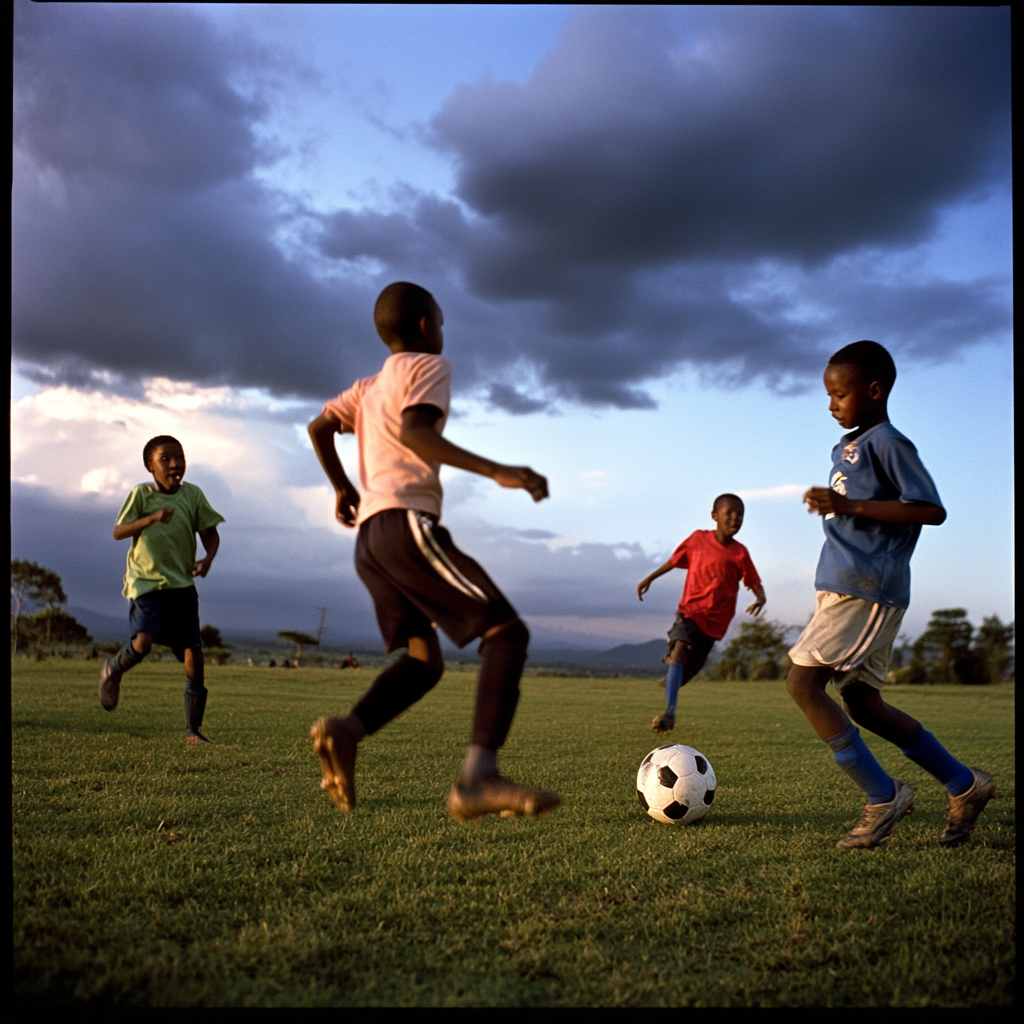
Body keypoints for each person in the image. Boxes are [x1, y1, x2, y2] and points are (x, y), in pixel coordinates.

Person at [306, 281, 561, 823]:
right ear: (426, 327)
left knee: (423, 663)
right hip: (405, 525)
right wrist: (498, 471)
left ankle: (347, 730)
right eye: (441, 323)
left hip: (370, 541)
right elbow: (417, 433)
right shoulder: (426, 366)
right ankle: (477, 778)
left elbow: (320, 427)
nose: (442, 333)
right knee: (506, 633)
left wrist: (342, 487)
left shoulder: (369, 387)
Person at [786, 340, 997, 849]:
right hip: (842, 589)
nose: (831, 404)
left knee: (802, 685)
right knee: (862, 703)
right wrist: (838, 503)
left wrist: (849, 505)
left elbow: (930, 509)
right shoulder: (849, 446)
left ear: (874, 391)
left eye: (840, 394)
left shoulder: (888, 441)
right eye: (828, 395)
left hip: (866, 590)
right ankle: (964, 785)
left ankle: (883, 797)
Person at [98, 435, 224, 744]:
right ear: (149, 465)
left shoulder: (193, 495)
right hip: (147, 583)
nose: (175, 463)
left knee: (194, 656)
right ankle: (113, 671)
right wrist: (151, 518)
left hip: (182, 586)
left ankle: (193, 732)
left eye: (179, 457)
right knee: (142, 642)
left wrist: (208, 559)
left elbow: (210, 533)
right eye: (165, 458)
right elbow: (118, 531)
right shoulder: (141, 494)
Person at [637, 495, 766, 733]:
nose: (735, 518)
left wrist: (760, 597)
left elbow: (753, 580)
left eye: (740, 515)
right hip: (690, 612)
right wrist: (650, 578)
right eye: (729, 513)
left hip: (716, 623)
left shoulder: (740, 553)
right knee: (679, 648)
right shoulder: (697, 540)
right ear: (714, 515)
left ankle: (672, 681)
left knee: (691, 668)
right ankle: (670, 712)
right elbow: (674, 561)